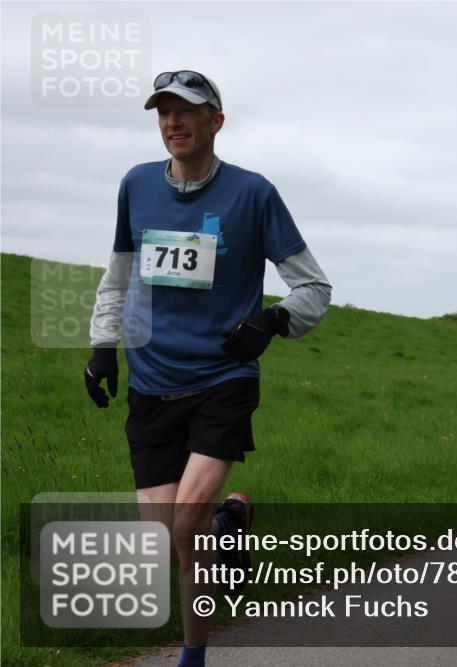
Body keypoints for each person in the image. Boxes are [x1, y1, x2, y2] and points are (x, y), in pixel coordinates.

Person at [84, 70, 331, 667]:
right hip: (150, 381)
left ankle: (192, 659)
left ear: (215, 121)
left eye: (187, 111)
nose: (174, 122)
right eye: (164, 112)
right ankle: (229, 531)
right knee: (169, 538)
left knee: (184, 519)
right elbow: (120, 272)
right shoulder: (136, 185)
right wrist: (101, 345)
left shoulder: (253, 194)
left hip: (223, 378)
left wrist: (270, 323)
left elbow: (315, 288)